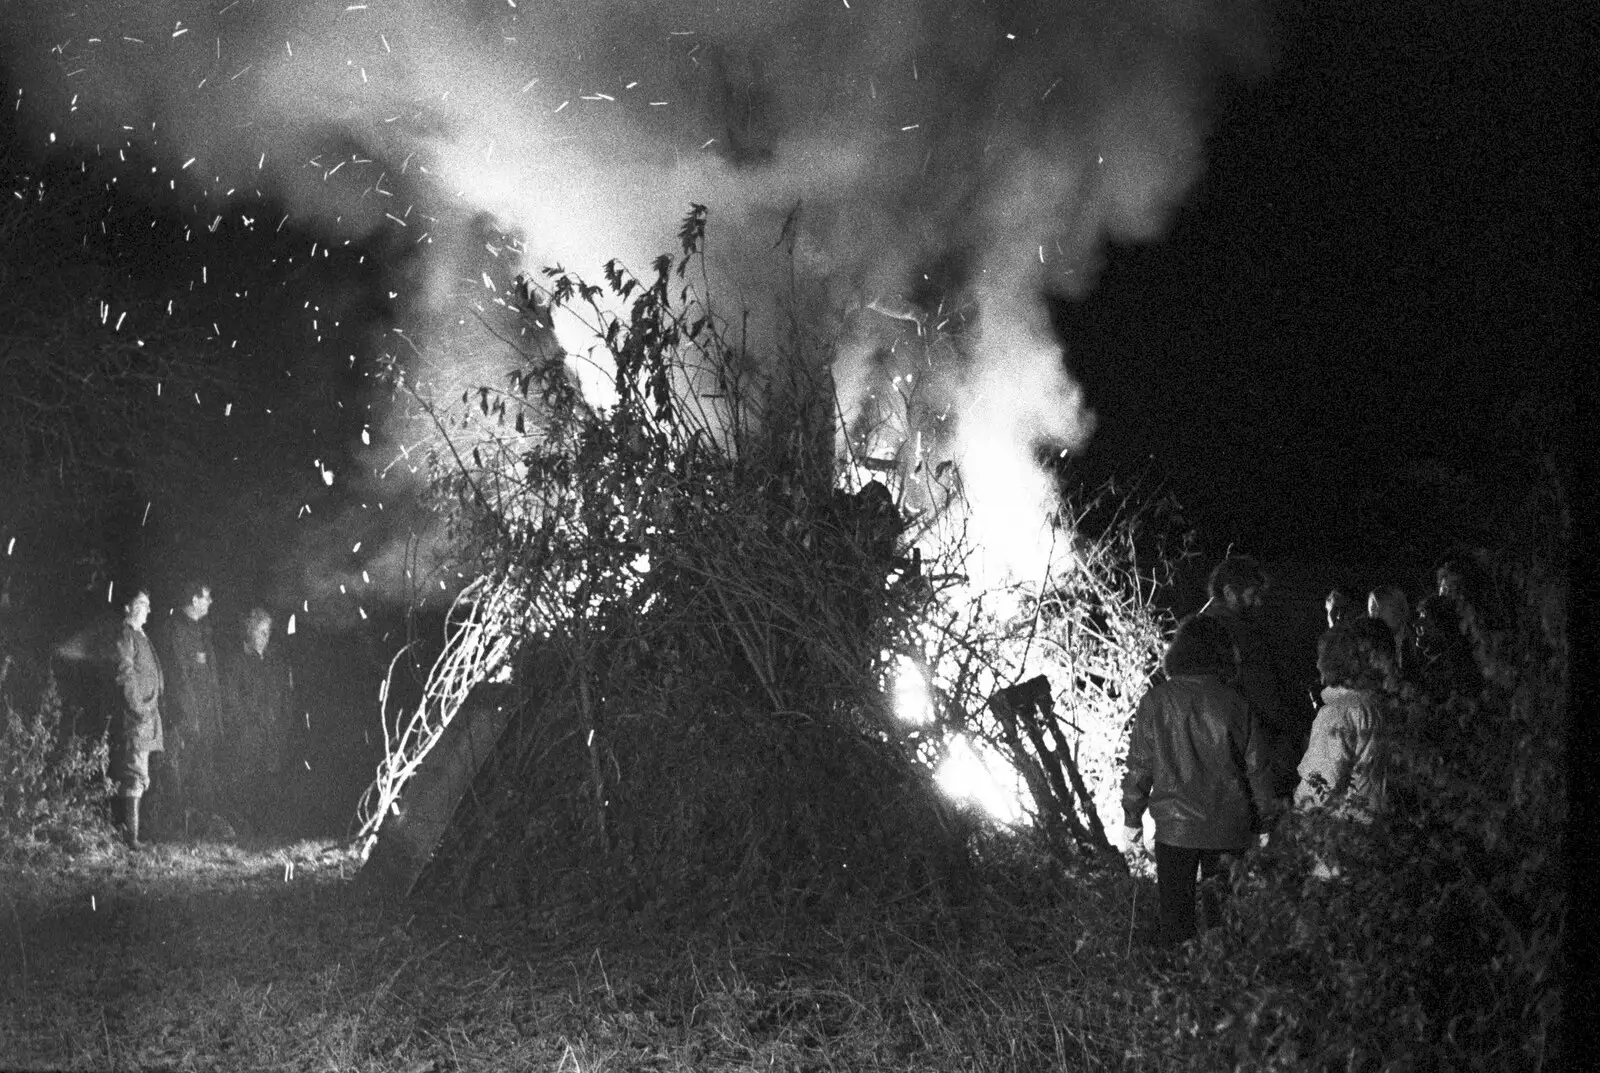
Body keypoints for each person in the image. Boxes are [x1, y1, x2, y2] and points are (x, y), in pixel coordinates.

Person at [1123, 614, 1276, 946]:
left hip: (1175, 831)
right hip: (1229, 828)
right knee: (1225, 925)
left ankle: (1177, 987)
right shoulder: (1236, 703)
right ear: (1223, 654)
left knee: (1175, 924)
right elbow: (1258, 770)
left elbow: (1140, 767)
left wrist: (1131, 818)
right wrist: (1267, 824)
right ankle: (1223, 989)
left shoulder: (1156, 702)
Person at [1295, 621, 1391, 879]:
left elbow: (1321, 784)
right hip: (1371, 827)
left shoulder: (1337, 714)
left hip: (1339, 837)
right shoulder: (1374, 707)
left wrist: (1297, 822)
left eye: (1321, 658)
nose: (1316, 665)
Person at [1201, 555, 1299, 799]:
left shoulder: (1205, 630)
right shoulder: (1232, 633)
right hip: (1253, 750)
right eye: (1252, 594)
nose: (1258, 603)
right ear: (1230, 593)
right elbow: (1261, 691)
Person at [155, 578, 229, 837]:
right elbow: (179, 677)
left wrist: (215, 718)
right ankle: (175, 827)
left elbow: (211, 678)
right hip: (186, 720)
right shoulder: (177, 630)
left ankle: (201, 825)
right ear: (194, 600)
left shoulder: (203, 630)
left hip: (206, 719)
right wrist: (189, 717)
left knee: (204, 773)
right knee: (181, 772)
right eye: (207, 597)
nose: (210, 602)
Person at [221, 607, 294, 836]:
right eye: (261, 631)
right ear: (249, 632)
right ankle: (246, 829)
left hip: (272, 733)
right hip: (248, 735)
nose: (266, 636)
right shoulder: (237, 661)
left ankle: (267, 829)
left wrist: (282, 723)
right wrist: (245, 724)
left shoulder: (275, 662)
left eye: (268, 631)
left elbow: (286, 696)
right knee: (246, 780)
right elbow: (231, 699)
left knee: (270, 780)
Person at [110, 588, 164, 850]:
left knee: (141, 774)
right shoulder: (126, 636)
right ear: (128, 608)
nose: (148, 609)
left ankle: (133, 834)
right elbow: (125, 675)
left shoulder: (140, 635)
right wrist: (138, 708)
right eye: (142, 604)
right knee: (134, 773)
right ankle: (130, 838)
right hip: (136, 717)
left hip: (147, 715)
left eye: (148, 604)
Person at [1366, 584, 1415, 678]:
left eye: (1381, 607)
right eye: (1372, 609)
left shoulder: (1416, 643)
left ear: (1400, 610)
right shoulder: (1369, 650)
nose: (1375, 614)